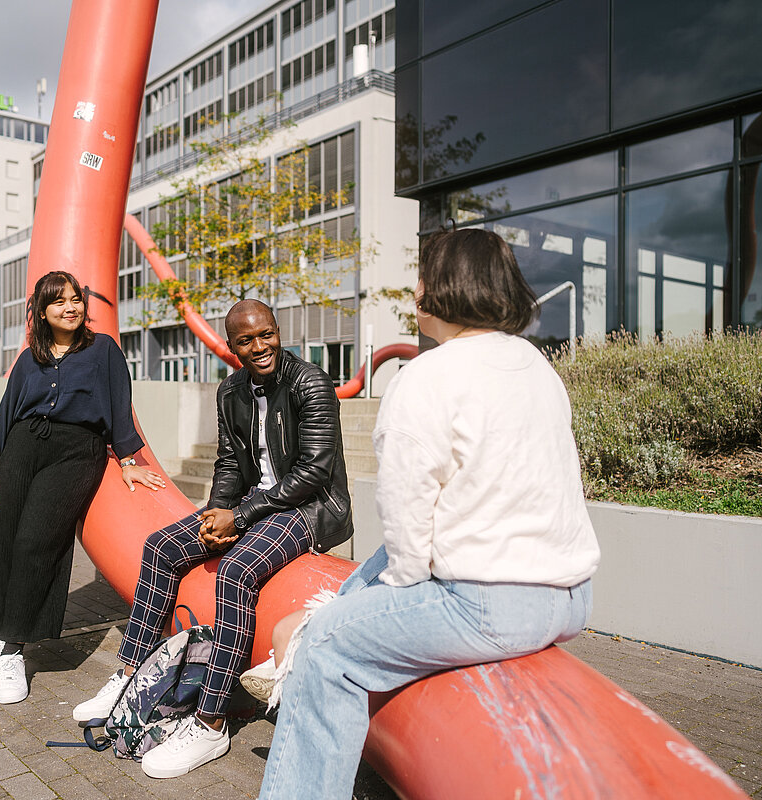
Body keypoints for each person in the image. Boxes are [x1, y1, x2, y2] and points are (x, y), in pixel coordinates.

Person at [255, 228, 600, 799]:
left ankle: (296, 651)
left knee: (326, 649)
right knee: (376, 568)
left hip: (488, 604)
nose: (414, 288)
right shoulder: (535, 364)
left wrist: (368, 613)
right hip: (570, 595)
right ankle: (299, 640)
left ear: (446, 287)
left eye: (423, 275)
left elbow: (407, 523)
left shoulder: (426, 376)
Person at [72, 299, 353, 779]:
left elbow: (313, 471)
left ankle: (210, 721)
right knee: (161, 546)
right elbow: (228, 463)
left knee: (238, 570)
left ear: (277, 331)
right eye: (246, 340)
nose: (259, 347)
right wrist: (216, 511)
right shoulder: (231, 391)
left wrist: (238, 518)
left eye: (266, 335)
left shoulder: (310, 382)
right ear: (232, 346)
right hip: (250, 504)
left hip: (309, 507)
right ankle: (128, 679)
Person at [0, 270, 165, 705]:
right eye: (59, 302)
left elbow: (119, 405)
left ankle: (15, 648)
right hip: (22, 447)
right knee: (4, 541)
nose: (70, 307)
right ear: (42, 311)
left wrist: (128, 461)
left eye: (76, 299)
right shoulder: (29, 358)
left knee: (38, 541)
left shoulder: (103, 350)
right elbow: (6, 412)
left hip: (77, 452)